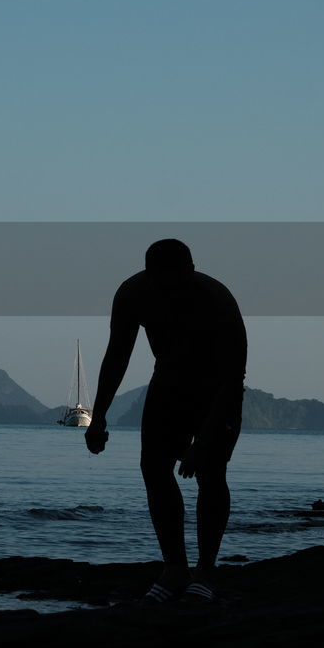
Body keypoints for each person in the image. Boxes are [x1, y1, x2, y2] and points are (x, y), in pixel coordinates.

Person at [85, 238, 246, 602]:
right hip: (167, 385)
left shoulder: (217, 299)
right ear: (148, 275)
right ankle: (175, 567)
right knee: (153, 469)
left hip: (218, 389)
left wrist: (203, 443)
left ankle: (205, 571)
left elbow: (234, 377)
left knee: (211, 472)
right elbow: (117, 356)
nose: (170, 290)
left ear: (191, 270)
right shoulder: (133, 294)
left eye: (177, 281)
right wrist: (98, 417)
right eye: (161, 282)